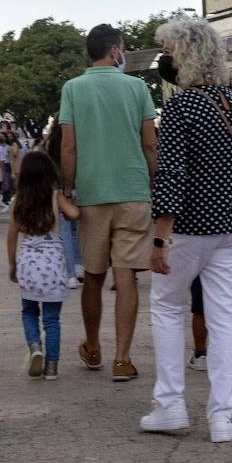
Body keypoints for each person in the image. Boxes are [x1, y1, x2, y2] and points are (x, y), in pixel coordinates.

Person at [139, 18, 232, 442]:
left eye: (168, 52)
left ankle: (170, 405)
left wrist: (159, 238)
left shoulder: (181, 108)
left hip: (190, 226)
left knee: (168, 308)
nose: (163, 60)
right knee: (226, 315)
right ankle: (221, 417)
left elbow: (170, 175)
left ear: (184, 56)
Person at [58, 23, 158, 381]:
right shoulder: (136, 87)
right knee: (126, 273)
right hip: (134, 191)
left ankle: (92, 345)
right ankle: (122, 358)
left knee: (94, 276)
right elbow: (150, 144)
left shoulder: (73, 89)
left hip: (93, 193)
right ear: (115, 50)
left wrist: (68, 187)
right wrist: (156, 182)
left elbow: (68, 145)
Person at [7, 150, 79, 380]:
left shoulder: (19, 200)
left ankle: (35, 345)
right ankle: (51, 367)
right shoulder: (55, 196)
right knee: (52, 319)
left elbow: (11, 236)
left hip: (28, 261)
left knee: (29, 311)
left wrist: (12, 265)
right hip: (53, 264)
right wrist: (72, 203)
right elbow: (74, 214)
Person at [45, 120, 83, 289]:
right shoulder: (79, 141)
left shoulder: (51, 146)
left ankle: (70, 274)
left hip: (60, 192)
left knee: (65, 233)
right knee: (77, 232)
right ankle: (79, 265)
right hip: (80, 189)